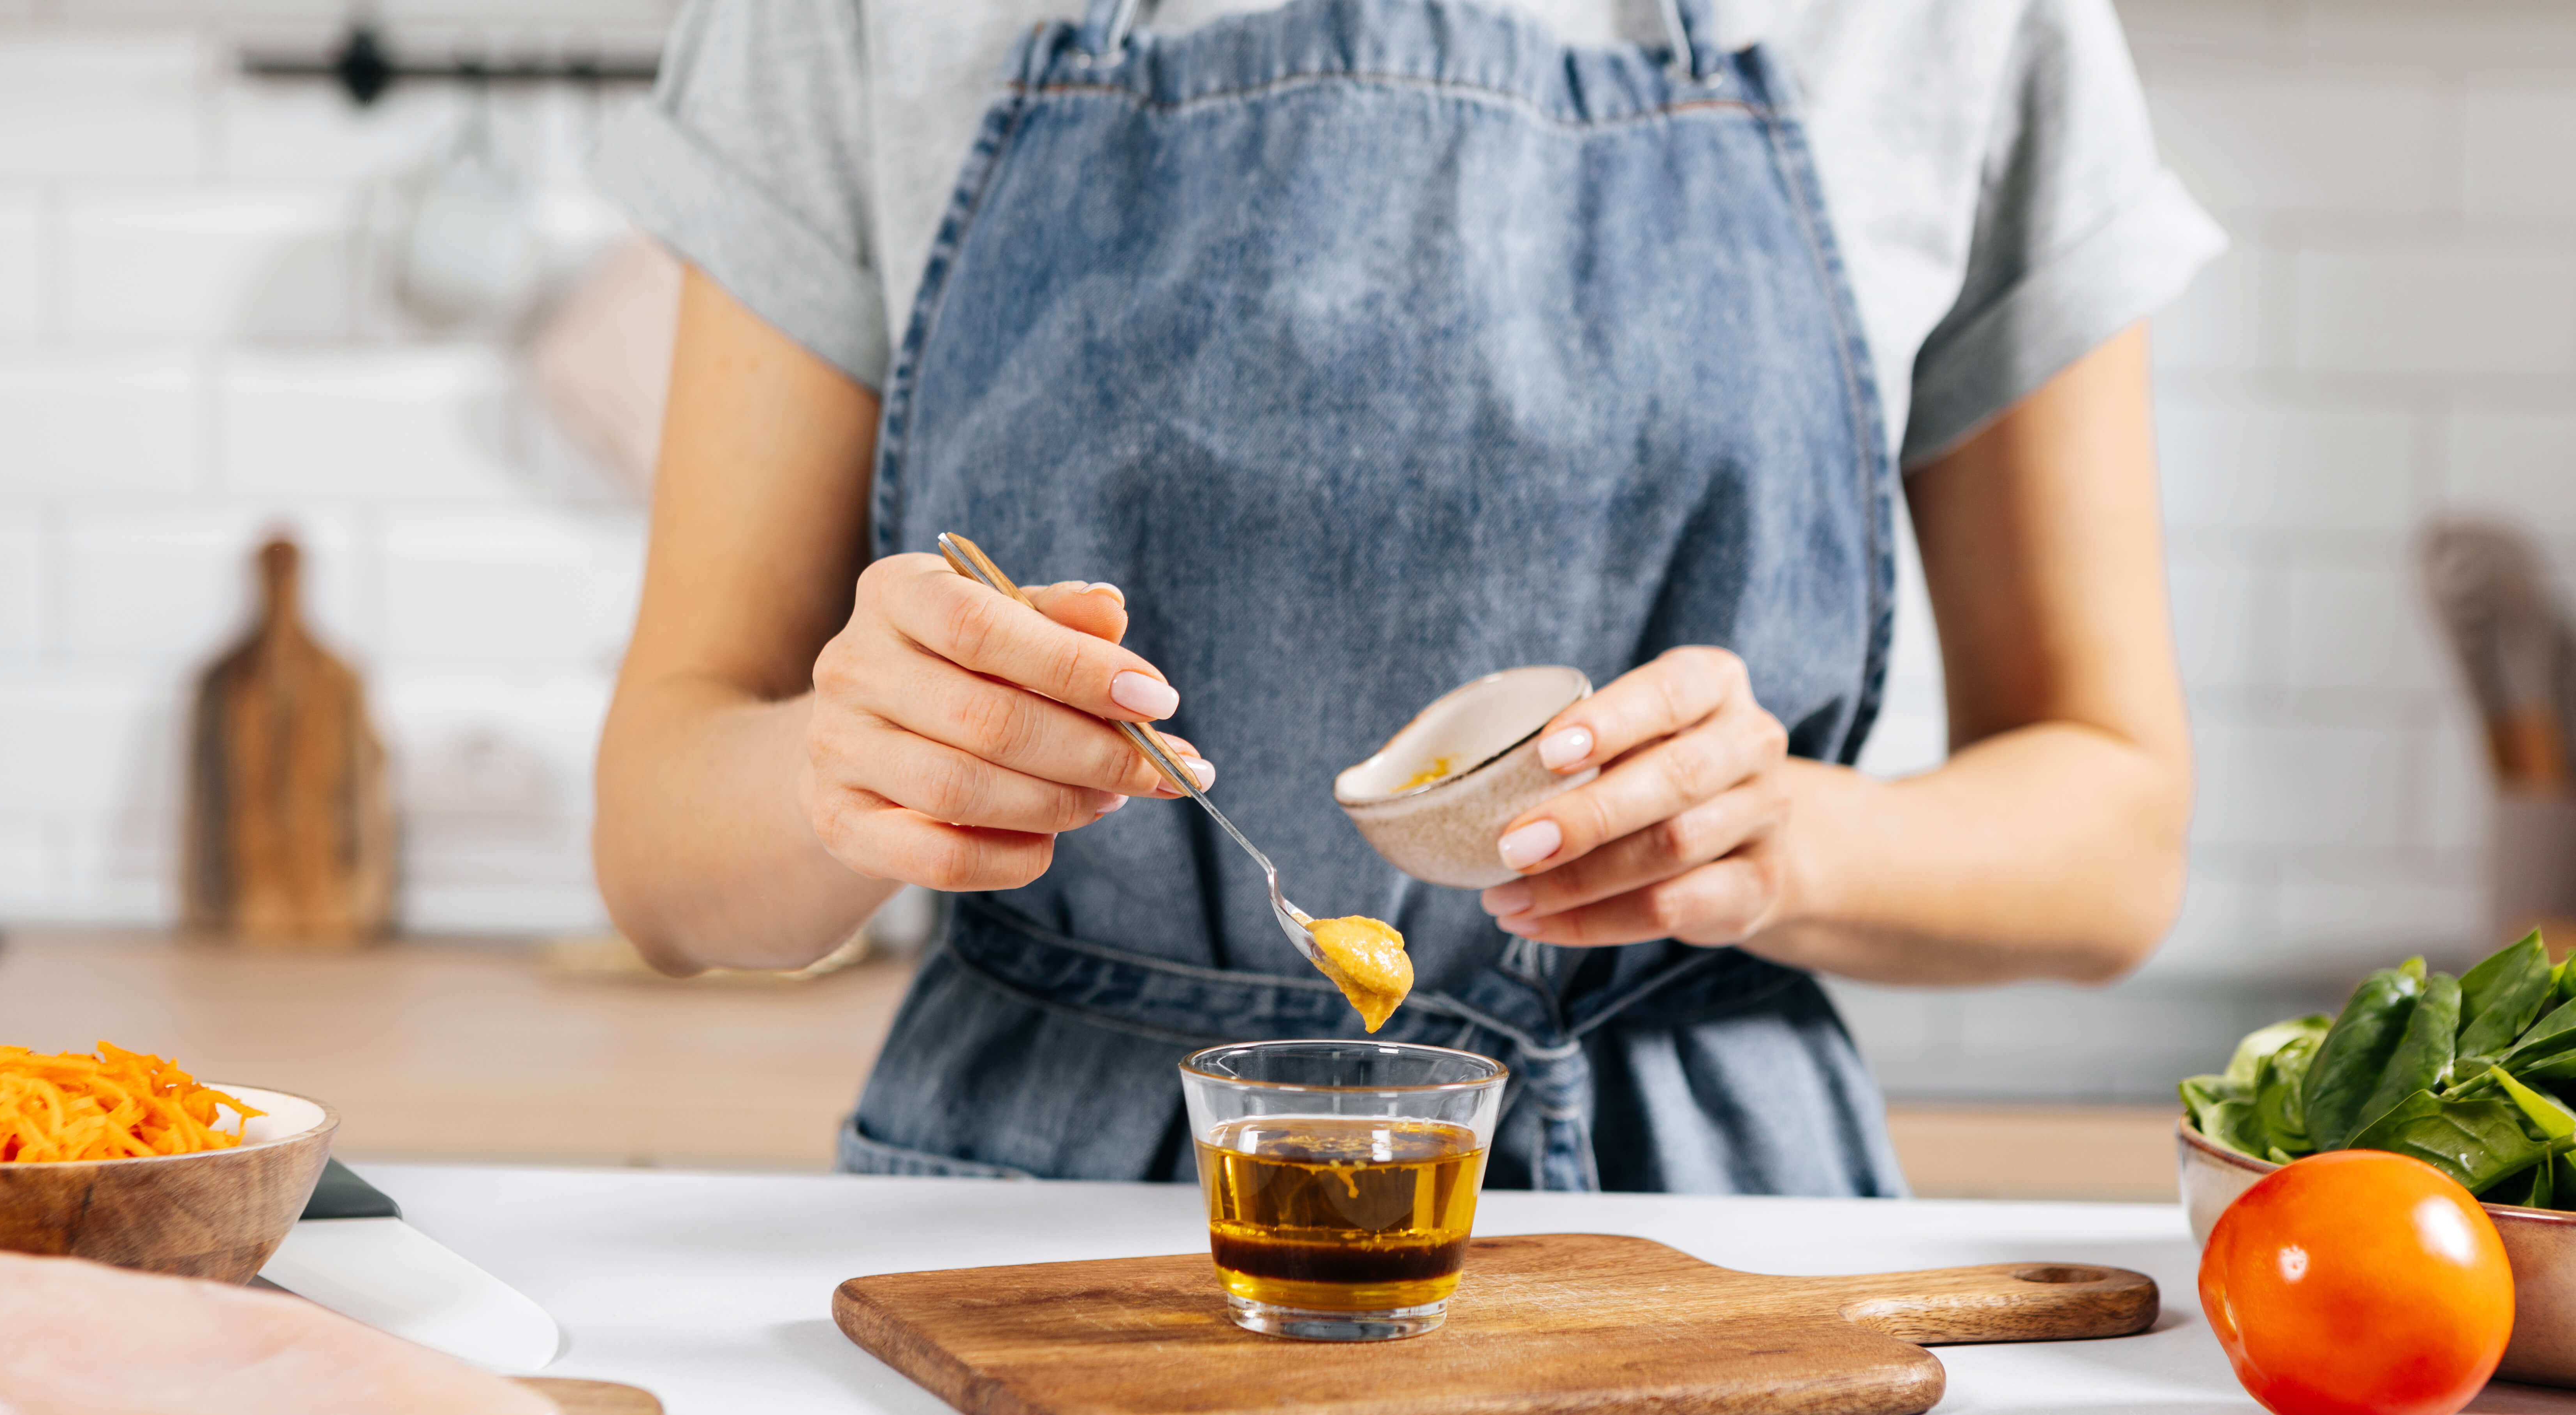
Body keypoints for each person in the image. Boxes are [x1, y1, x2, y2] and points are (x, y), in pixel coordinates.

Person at [593, 0, 2214, 1192]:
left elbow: (2115, 840)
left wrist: (1777, 837)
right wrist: (851, 771)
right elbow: (663, 852)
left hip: (1697, 1228)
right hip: (1039, 1215)